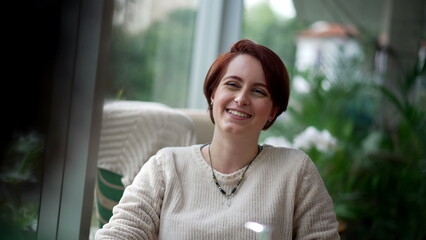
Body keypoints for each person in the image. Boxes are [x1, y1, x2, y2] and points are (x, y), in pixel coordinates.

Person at [95, 39, 340, 239]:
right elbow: (120, 234)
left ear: (274, 110)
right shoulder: (166, 166)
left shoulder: (296, 170)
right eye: (232, 85)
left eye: (258, 91)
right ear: (213, 94)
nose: (242, 99)